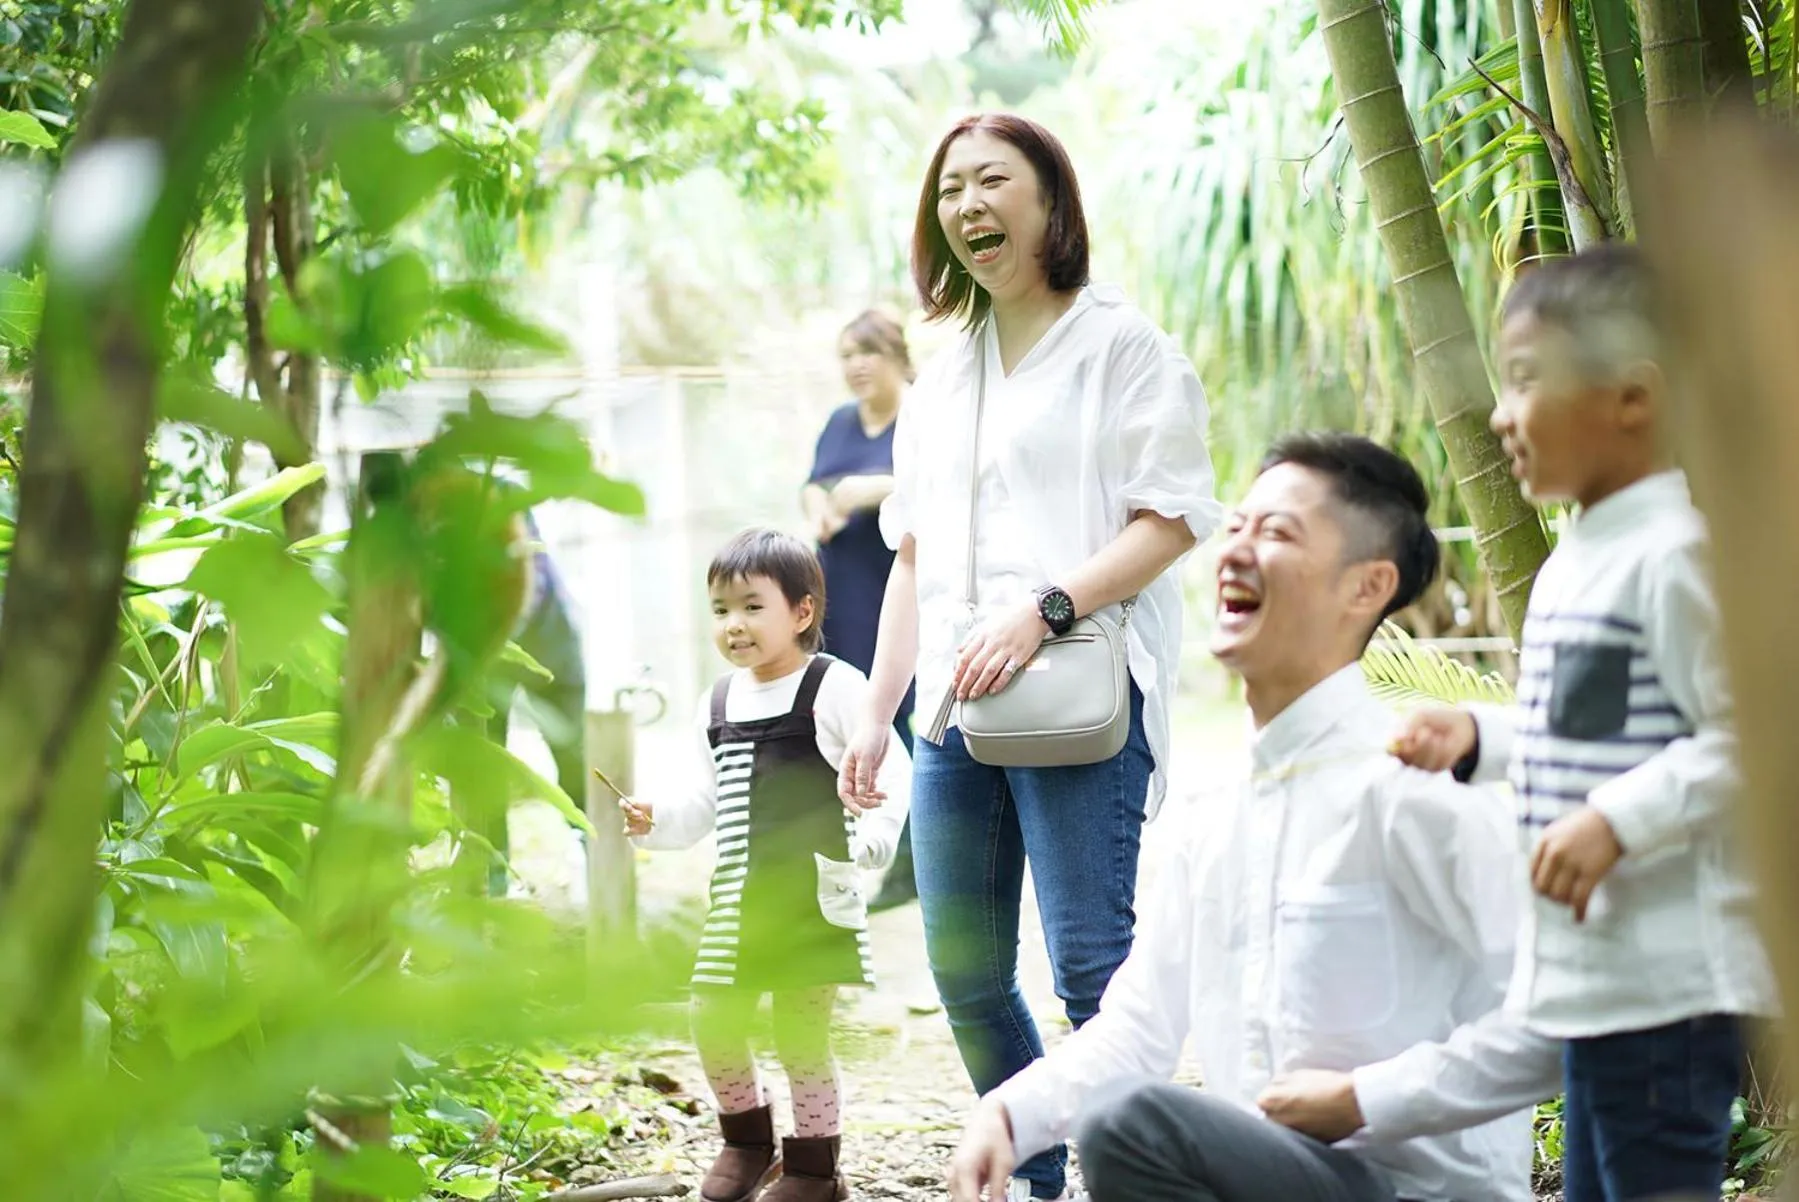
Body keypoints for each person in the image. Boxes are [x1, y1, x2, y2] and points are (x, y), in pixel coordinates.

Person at [945, 434, 1538, 1202]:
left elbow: (1553, 1022)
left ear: (1366, 588)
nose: (1236, 551)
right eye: (1236, 528)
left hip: (1421, 1191)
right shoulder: (1215, 816)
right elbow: (1138, 1030)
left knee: (1131, 1124)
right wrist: (1007, 1115)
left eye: (1278, 532)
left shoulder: (1419, 794)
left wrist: (1367, 1099)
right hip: (1276, 1178)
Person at [837, 112, 1220, 1201]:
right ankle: (1035, 1172)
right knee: (962, 968)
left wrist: (1043, 610)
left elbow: (1174, 516)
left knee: (1091, 966)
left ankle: (1135, 1177)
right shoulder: (943, 374)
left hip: (1078, 695)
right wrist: (878, 712)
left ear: (1050, 202)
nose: (967, 205)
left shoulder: (1122, 346)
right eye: (949, 187)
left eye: (991, 180)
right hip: (955, 716)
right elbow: (910, 555)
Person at [1379, 245, 1778, 1202]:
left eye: (1524, 382)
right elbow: (1590, 734)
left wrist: (1616, 823)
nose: (1499, 416)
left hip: (1668, 988)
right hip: (1595, 984)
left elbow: (1756, 742)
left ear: (1632, 399)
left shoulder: (1674, 557)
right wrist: (1480, 743)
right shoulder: (1571, 566)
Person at [620, 528, 912, 1202]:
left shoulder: (833, 686)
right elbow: (707, 800)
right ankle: (745, 1144)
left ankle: (814, 1168)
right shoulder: (717, 701)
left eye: (752, 606)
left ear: (801, 612)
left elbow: (889, 767)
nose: (734, 625)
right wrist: (656, 821)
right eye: (720, 610)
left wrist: (871, 837)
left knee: (799, 1033)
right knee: (712, 1016)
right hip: (737, 900)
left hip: (812, 895)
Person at [802, 310, 920, 911]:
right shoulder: (838, 422)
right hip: (841, 597)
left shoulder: (924, 414)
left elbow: (937, 481)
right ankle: (851, 853)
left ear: (897, 355)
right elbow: (814, 482)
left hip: (900, 599)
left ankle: (912, 868)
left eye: (867, 351)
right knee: (849, 723)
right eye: (846, 354)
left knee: (908, 726)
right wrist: (819, 503)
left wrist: (866, 490)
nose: (856, 365)